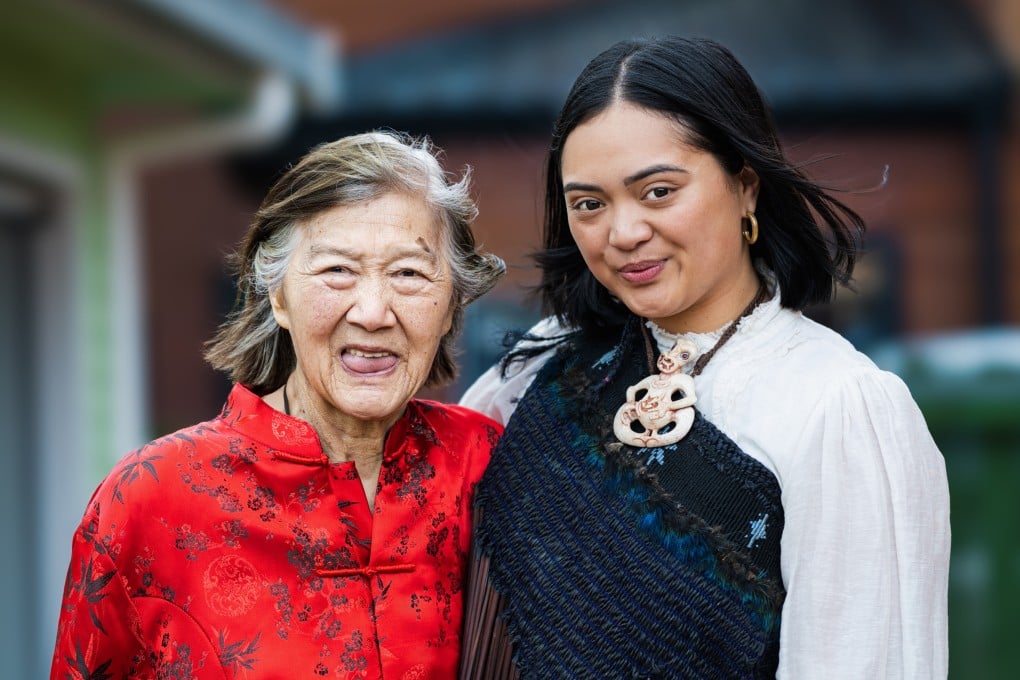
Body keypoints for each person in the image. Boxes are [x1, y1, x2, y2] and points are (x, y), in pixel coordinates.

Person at [459, 36, 950, 679]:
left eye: (658, 191)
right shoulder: (538, 370)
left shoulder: (837, 406)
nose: (624, 232)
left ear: (745, 186)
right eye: (589, 204)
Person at [50, 131, 505, 679]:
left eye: (408, 273)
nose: (373, 311)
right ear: (279, 296)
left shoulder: (489, 465)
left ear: (451, 303)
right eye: (338, 270)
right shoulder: (151, 500)